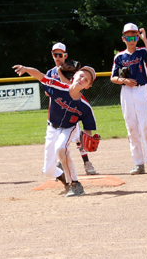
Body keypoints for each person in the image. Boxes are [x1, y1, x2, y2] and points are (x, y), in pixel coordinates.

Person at [13, 64, 98, 198]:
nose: (82, 79)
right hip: (51, 128)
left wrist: (88, 137)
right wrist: (25, 69)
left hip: (69, 128)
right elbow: (40, 76)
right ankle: (63, 175)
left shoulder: (85, 106)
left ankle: (75, 184)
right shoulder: (57, 87)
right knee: (48, 171)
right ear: (75, 75)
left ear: (87, 86)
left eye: (86, 80)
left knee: (61, 148)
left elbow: (88, 127)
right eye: (81, 75)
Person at [111, 23, 147, 175]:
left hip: (141, 91)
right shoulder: (119, 56)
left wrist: (145, 39)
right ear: (123, 39)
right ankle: (138, 163)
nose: (131, 39)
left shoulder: (142, 51)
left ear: (137, 38)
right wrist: (124, 80)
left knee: (145, 126)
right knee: (131, 127)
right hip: (126, 91)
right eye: (128, 37)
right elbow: (113, 77)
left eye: (134, 36)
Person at [46, 42, 98, 176]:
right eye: (55, 54)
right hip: (57, 110)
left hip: (71, 109)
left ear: (65, 55)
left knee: (79, 138)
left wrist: (60, 73)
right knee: (58, 140)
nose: (58, 57)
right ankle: (60, 163)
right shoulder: (50, 72)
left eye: (60, 54)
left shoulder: (71, 70)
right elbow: (47, 91)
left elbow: (70, 86)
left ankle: (87, 163)